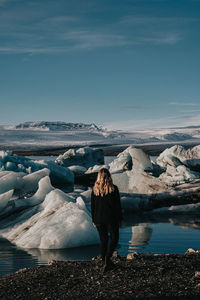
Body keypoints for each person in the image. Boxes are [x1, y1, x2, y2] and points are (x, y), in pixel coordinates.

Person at [91, 168, 122, 272]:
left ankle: (104, 260)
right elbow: (117, 206)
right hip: (111, 218)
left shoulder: (95, 190)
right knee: (114, 238)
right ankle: (107, 260)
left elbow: (93, 206)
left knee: (103, 240)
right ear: (109, 176)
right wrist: (120, 219)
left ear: (99, 177)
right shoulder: (113, 189)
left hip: (99, 219)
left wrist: (94, 219)